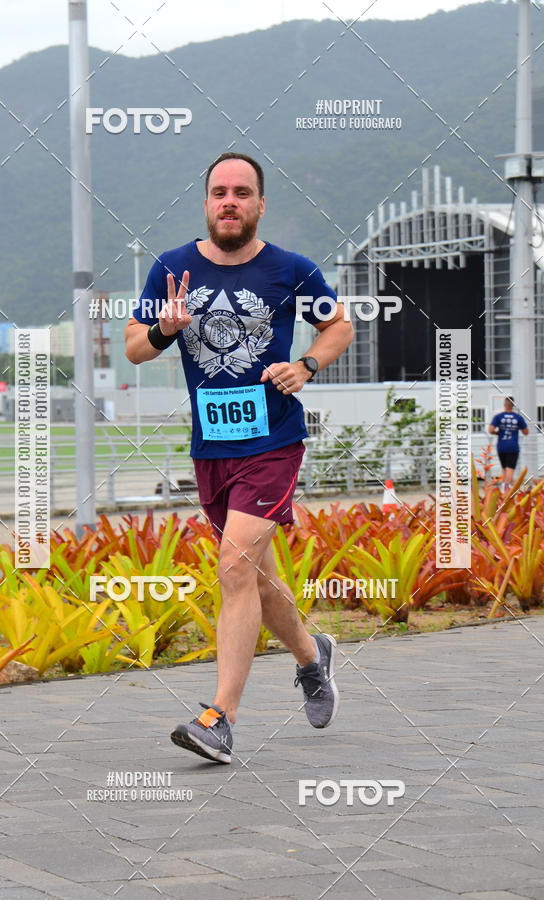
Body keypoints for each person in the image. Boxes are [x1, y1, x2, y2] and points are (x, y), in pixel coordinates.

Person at [124, 152, 354, 764]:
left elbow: (340, 328)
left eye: (242, 192)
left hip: (273, 442)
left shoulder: (292, 270)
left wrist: (306, 364)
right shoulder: (172, 270)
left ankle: (219, 717)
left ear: (259, 205)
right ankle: (312, 656)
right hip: (212, 449)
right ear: (206, 203)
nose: (230, 201)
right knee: (252, 575)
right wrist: (166, 330)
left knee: (232, 567)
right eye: (219, 192)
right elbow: (133, 349)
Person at [488, 396, 528, 492]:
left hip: (501, 446)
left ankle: (504, 488)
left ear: (504, 405)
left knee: (504, 468)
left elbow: (491, 430)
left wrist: (497, 432)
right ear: (513, 406)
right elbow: (526, 432)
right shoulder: (518, 417)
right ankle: (506, 488)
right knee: (510, 469)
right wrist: (515, 428)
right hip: (513, 446)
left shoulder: (498, 417)